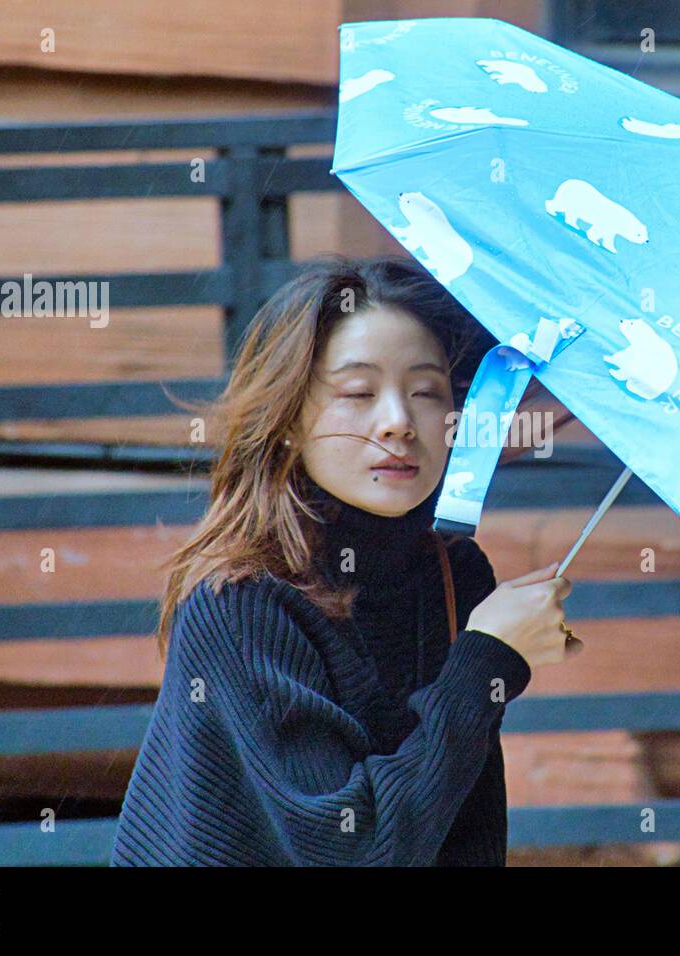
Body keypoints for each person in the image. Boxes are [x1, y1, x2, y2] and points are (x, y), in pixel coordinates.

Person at [111, 253, 582, 866]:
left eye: (426, 391)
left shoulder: (456, 577)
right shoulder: (241, 603)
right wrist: (486, 661)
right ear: (286, 423)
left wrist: (493, 653)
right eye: (358, 393)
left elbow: (462, 833)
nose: (397, 423)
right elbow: (351, 850)